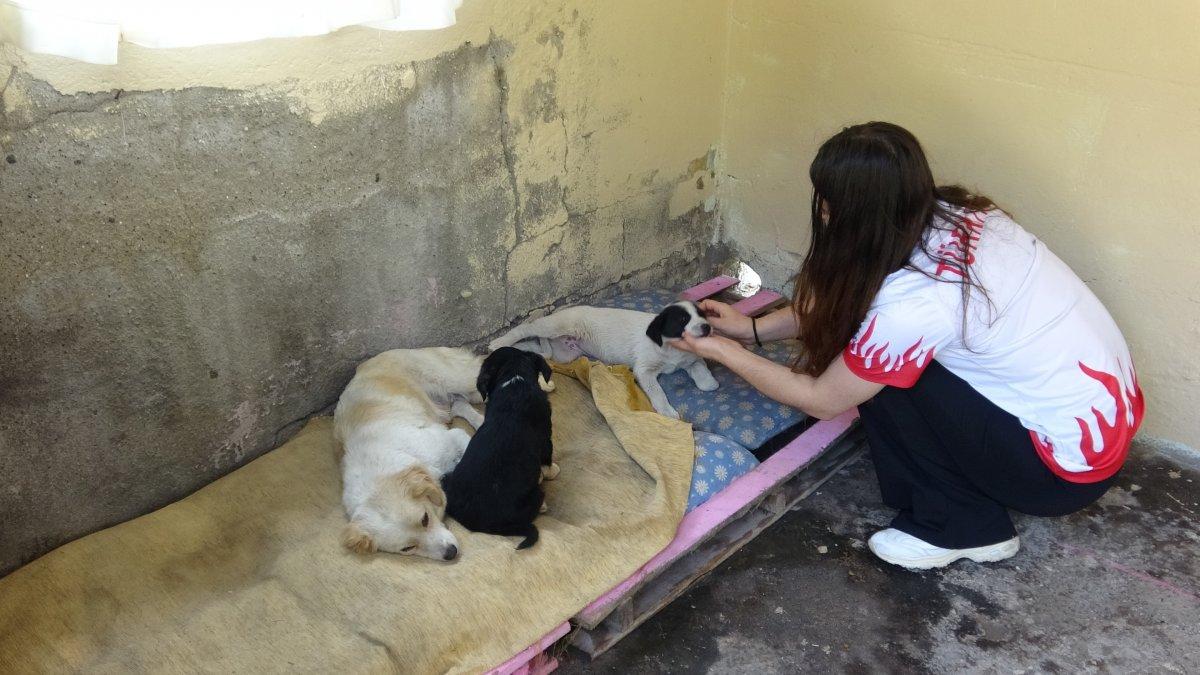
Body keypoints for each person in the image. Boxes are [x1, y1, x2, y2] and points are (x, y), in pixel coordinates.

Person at [671, 122, 1144, 570]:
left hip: (1056, 476)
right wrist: (752, 330)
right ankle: (968, 496)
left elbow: (823, 398)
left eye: (827, 199)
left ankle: (963, 527)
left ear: (849, 211)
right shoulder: (962, 217)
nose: (821, 209)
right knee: (881, 356)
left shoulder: (916, 305)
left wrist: (719, 349)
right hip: (1098, 432)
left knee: (885, 379)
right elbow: (860, 299)